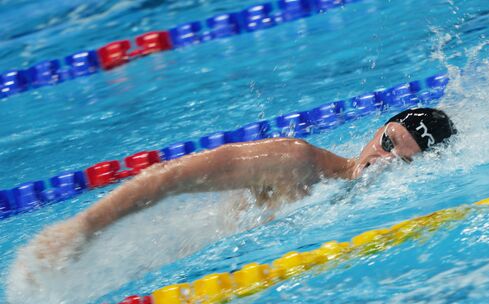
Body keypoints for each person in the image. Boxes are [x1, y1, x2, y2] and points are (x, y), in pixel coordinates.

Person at [23, 107, 457, 267]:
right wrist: (83, 228)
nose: (380, 161)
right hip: (190, 261)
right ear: (377, 128)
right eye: (386, 143)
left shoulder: (390, 214)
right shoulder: (296, 161)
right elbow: (169, 177)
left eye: (400, 161)